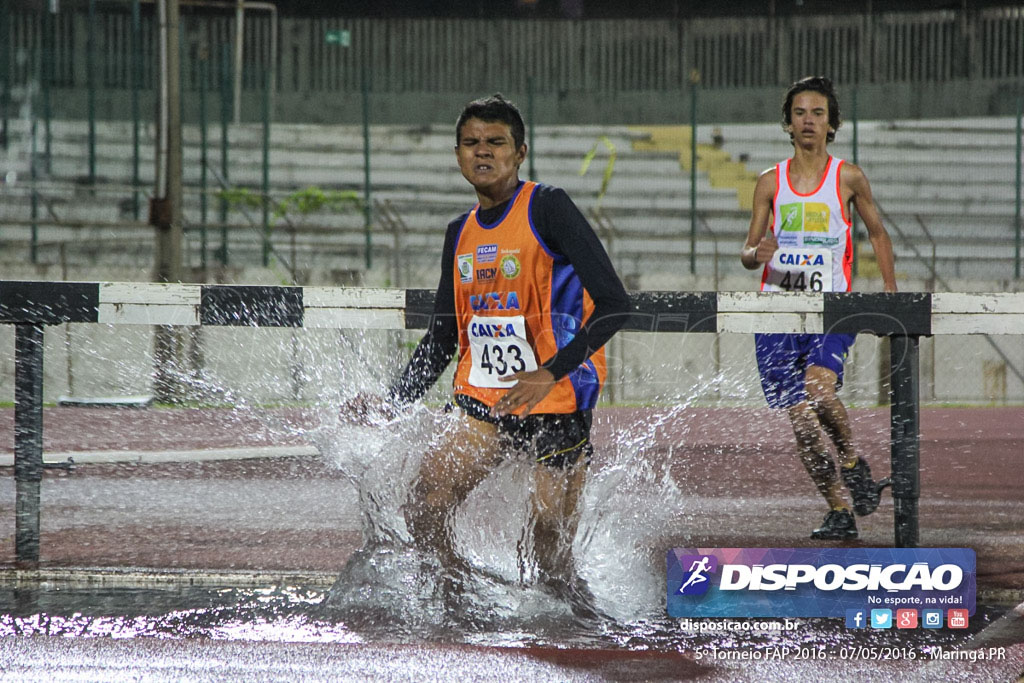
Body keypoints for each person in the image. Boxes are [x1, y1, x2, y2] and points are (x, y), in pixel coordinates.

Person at [347, 94, 631, 614]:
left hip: (557, 398)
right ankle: (462, 602)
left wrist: (550, 372)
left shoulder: (548, 207)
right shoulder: (459, 234)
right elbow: (442, 339)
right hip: (488, 397)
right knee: (426, 502)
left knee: (547, 541)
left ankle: (587, 624)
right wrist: (394, 402)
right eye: (472, 143)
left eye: (496, 143)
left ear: (519, 151)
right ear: (457, 154)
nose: (483, 153)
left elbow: (615, 305)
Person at [740, 76, 897, 541]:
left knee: (819, 390)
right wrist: (757, 254)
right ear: (788, 123)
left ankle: (851, 461)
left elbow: (878, 232)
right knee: (803, 422)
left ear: (832, 125)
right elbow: (748, 252)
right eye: (800, 113)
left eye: (818, 113)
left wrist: (890, 289)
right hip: (777, 312)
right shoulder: (769, 182)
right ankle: (838, 508)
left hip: (831, 309)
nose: (809, 121)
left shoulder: (847, 177)